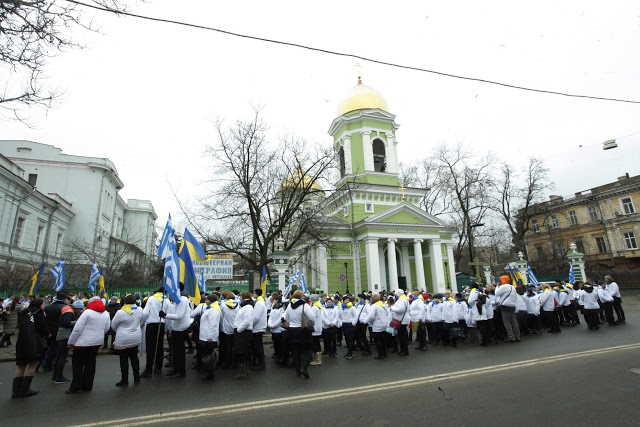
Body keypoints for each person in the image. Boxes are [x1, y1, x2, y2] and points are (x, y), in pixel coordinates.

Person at [66, 296, 110, 394]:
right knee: (90, 364)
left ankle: (76, 386)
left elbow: (77, 329)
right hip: (96, 342)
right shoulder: (105, 313)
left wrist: (71, 342)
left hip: (82, 343)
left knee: (77, 365)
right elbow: (106, 328)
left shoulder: (87, 313)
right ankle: (87, 385)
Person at [12, 298, 48, 399]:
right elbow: (43, 328)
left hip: (21, 342)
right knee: (33, 364)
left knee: (21, 366)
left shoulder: (24, 313)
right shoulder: (38, 314)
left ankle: (16, 391)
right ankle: (24, 389)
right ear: (39, 305)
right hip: (32, 342)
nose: (44, 306)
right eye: (43, 304)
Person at [110, 295, 144, 386]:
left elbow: (113, 325)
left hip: (123, 338)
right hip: (136, 337)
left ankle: (125, 380)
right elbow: (142, 320)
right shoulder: (139, 310)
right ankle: (137, 378)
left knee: (123, 359)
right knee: (134, 357)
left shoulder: (120, 312)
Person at [160, 286, 192, 380]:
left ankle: (180, 371)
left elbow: (179, 316)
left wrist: (165, 315)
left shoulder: (182, 300)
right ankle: (175, 368)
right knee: (175, 351)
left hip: (180, 329)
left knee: (179, 352)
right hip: (175, 328)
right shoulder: (178, 300)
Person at [283, 290, 314, 379]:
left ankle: (297, 371)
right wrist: (312, 325)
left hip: (292, 330)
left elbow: (287, 318)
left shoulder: (289, 306)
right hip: (303, 330)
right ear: (301, 297)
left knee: (296, 352)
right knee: (307, 350)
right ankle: (304, 368)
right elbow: (312, 317)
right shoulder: (305, 306)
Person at [52, 299, 84, 384]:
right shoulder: (69, 312)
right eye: (80, 309)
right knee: (62, 356)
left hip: (61, 335)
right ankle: (59, 376)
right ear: (77, 308)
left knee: (58, 356)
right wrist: (77, 322)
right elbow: (66, 323)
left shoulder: (66, 310)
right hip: (65, 335)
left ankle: (55, 376)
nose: (80, 311)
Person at [140, 287, 167, 378]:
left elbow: (145, 313)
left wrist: (142, 322)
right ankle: (158, 367)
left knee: (150, 347)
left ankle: (149, 369)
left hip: (151, 324)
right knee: (159, 346)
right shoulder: (166, 300)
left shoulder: (151, 299)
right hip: (161, 324)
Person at [41, 292, 67, 373]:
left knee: (46, 347)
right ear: (64, 299)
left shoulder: (47, 307)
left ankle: (41, 362)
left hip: (48, 330)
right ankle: (48, 364)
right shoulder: (64, 308)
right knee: (54, 348)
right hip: (57, 330)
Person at [232, 291, 254, 380]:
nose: (239, 298)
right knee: (241, 352)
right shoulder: (245, 306)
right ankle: (244, 371)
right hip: (242, 332)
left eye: (241, 297)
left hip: (243, 333)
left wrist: (239, 329)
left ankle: (242, 372)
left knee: (241, 352)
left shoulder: (248, 307)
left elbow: (247, 321)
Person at [198, 294, 221, 380]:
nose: (206, 301)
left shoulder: (214, 310)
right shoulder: (209, 309)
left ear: (211, 301)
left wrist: (210, 337)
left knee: (208, 356)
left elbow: (213, 325)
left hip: (208, 337)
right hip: (205, 336)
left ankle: (209, 373)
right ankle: (207, 371)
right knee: (206, 355)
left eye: (207, 300)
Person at [495, 276, 520, 343]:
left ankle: (511, 337)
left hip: (505, 306)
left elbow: (496, 294)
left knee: (507, 322)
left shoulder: (503, 287)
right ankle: (517, 336)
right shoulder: (512, 287)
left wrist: (497, 286)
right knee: (514, 321)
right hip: (512, 305)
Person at [219, 290, 239, 370]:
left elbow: (221, 317)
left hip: (226, 329)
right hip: (235, 328)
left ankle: (228, 363)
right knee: (235, 346)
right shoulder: (238, 305)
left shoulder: (223, 306)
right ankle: (236, 362)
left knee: (228, 347)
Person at [366, 294, 389, 359]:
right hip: (384, 324)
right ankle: (384, 353)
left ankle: (380, 354)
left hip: (377, 325)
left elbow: (371, 316)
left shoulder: (374, 306)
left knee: (378, 340)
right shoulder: (382, 305)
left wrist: (371, 322)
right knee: (383, 340)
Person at [250, 289, 267, 371]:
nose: (253, 294)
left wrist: (250, 325)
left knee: (258, 347)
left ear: (257, 294)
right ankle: (259, 363)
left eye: (253, 293)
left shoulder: (259, 303)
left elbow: (256, 317)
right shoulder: (260, 302)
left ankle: (261, 364)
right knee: (258, 347)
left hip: (258, 328)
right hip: (259, 327)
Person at [391, 289, 411, 355]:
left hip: (401, 320)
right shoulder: (404, 299)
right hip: (403, 320)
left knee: (402, 337)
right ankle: (404, 350)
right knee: (403, 336)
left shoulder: (401, 300)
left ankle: (404, 350)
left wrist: (392, 308)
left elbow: (401, 309)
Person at [268, 297, 285, 366]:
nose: (273, 301)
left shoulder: (281, 308)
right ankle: (277, 355)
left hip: (278, 329)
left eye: (274, 300)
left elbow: (280, 319)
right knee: (275, 344)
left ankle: (280, 357)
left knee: (279, 344)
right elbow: (271, 317)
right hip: (273, 329)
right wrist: (269, 324)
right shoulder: (273, 307)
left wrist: (274, 325)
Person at [340, 296, 357, 360]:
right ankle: (349, 351)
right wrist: (341, 323)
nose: (347, 301)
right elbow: (339, 316)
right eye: (346, 300)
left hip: (350, 324)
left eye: (348, 300)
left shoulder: (352, 308)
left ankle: (350, 353)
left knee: (350, 339)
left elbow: (355, 316)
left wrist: (353, 323)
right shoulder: (341, 308)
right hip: (344, 324)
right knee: (346, 339)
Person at [309, 294, 324, 366]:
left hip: (315, 328)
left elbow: (311, 317)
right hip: (318, 327)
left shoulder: (314, 307)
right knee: (317, 343)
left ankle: (318, 360)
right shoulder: (318, 306)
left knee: (315, 343)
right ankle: (319, 358)